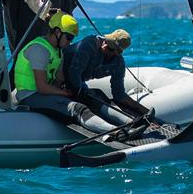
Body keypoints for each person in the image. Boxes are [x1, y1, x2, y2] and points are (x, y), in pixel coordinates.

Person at [14, 13, 143, 140]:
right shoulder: (39, 50)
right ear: (57, 32)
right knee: (78, 108)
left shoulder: (58, 51)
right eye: (69, 37)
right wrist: (65, 94)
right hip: (30, 96)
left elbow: (59, 80)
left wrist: (70, 91)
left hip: (45, 93)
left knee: (90, 97)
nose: (71, 41)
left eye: (73, 38)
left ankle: (132, 122)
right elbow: (42, 87)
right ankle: (116, 132)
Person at [63, 29, 153, 126]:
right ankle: (127, 122)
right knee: (92, 96)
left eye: (111, 49)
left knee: (98, 94)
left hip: (77, 83)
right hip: (59, 76)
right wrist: (80, 93)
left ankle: (130, 121)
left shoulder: (118, 64)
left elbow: (119, 95)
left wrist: (144, 110)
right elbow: (74, 73)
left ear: (118, 52)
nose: (105, 45)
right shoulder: (90, 44)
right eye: (106, 42)